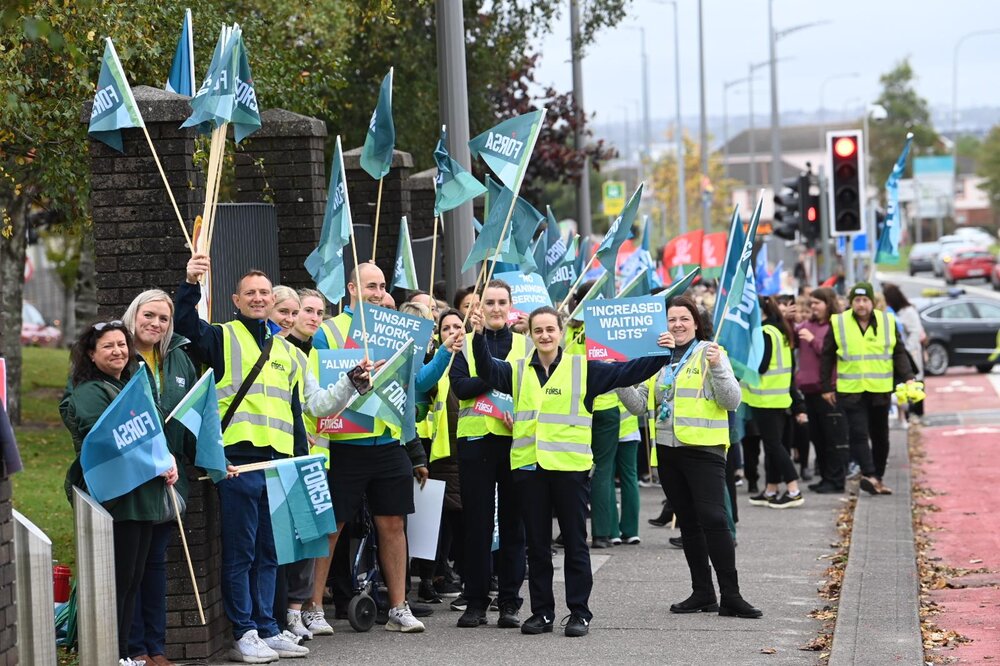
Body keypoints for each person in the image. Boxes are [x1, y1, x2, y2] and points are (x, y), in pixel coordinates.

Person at [470, 305, 671, 636]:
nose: (545, 336)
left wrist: (662, 352)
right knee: (536, 545)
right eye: (539, 331)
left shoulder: (584, 370)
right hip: (530, 470)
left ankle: (579, 612)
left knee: (576, 543)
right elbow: (486, 369)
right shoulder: (517, 371)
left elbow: (628, 372)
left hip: (570, 471)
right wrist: (478, 337)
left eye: (551, 329)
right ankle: (543, 612)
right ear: (531, 335)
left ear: (560, 332)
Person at [175, 254, 312, 661]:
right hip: (236, 461)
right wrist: (190, 284)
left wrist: (297, 462)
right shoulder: (222, 335)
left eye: (264, 293)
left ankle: (268, 628)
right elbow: (184, 327)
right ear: (236, 300)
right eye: (250, 293)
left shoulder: (286, 350)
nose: (258, 298)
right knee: (241, 552)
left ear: (273, 300)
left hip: (276, 463)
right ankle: (244, 631)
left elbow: (294, 413)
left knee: (270, 553)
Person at [617, 296, 762, 619]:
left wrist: (718, 368)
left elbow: (731, 400)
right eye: (672, 319)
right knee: (689, 523)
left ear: (696, 323)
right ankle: (703, 592)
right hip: (668, 452)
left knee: (713, 518)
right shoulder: (656, 358)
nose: (678, 325)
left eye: (684, 318)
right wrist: (619, 378)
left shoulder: (710, 353)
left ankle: (732, 595)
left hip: (704, 450)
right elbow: (640, 405)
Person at [303, 262, 427, 634]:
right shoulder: (328, 332)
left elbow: (415, 385)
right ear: (352, 289)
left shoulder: (396, 328)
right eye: (371, 286)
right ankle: (312, 607)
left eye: (382, 286)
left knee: (393, 523)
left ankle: (399, 607)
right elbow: (321, 393)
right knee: (331, 527)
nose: (378, 292)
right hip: (345, 444)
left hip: (388, 441)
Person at [62, 320, 181, 666]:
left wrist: (167, 460)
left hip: (143, 497)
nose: (118, 351)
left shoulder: (131, 385)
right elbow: (107, 440)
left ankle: (124, 653)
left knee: (133, 581)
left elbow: (153, 433)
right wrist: (155, 461)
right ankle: (113, 653)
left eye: (121, 345)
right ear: (90, 353)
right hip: (117, 499)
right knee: (118, 581)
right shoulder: (88, 390)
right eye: (108, 346)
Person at [122, 291, 200, 666]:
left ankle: (156, 648)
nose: (155, 324)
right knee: (132, 568)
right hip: (132, 481)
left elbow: (193, 415)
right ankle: (135, 648)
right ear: (134, 315)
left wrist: (206, 460)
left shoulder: (180, 358)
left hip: (171, 480)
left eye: (163, 318)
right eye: (148, 315)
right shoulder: (119, 355)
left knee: (155, 565)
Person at [449, 279, 529, 629]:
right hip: (476, 442)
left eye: (502, 302)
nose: (496, 308)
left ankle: (509, 602)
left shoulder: (527, 345)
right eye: (489, 303)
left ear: (510, 306)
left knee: (514, 524)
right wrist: (496, 375)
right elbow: (460, 387)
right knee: (477, 526)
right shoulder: (464, 343)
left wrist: (489, 372)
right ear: (479, 308)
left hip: (515, 442)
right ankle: (476, 602)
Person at [821, 282, 914, 496]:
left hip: (879, 389)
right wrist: (826, 386)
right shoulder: (839, 323)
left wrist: (908, 376)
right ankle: (870, 474)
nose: (861, 305)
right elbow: (827, 356)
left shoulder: (887, 321)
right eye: (857, 300)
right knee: (858, 433)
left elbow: (899, 352)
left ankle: (878, 477)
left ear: (872, 302)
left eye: (865, 300)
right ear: (851, 302)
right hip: (851, 389)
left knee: (881, 435)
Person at [563, 280, 628, 549]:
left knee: (571, 470)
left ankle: (571, 531)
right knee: (603, 470)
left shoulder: (570, 331)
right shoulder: (609, 329)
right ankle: (603, 532)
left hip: (574, 408)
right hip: (606, 406)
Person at [746, 297, 804, 509]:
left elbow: (760, 367)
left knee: (774, 446)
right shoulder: (777, 330)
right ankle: (771, 489)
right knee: (773, 446)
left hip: (767, 398)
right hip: (777, 397)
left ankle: (793, 489)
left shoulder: (764, 332)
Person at [796, 288, 848, 493]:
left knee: (832, 437)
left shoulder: (835, 326)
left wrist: (812, 340)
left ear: (828, 303)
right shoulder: (807, 325)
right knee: (817, 436)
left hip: (828, 389)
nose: (813, 306)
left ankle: (836, 479)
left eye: (817, 302)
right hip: (809, 389)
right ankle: (826, 476)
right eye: (812, 303)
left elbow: (831, 353)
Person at [883, 283, 925, 423]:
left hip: (911, 352)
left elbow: (915, 331)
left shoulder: (908, 312)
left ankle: (916, 413)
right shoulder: (895, 312)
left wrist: (906, 348)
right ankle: (908, 414)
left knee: (915, 381)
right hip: (904, 352)